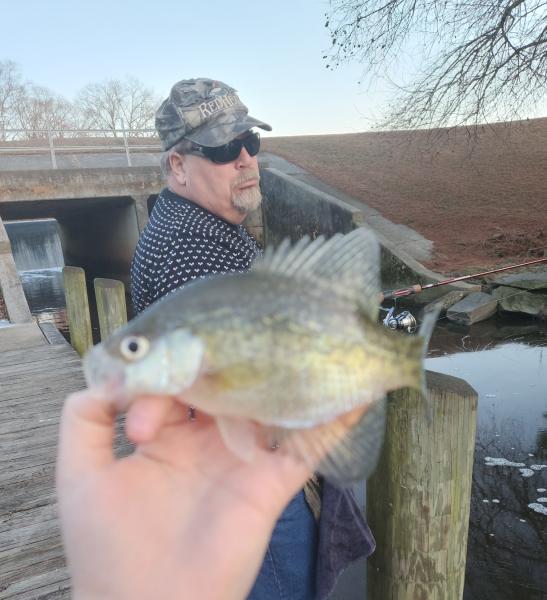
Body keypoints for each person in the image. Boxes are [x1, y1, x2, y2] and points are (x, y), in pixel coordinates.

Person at [128, 78, 375, 599]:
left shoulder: (205, 227)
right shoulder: (192, 251)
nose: (244, 159)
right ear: (178, 166)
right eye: (222, 149)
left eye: (250, 143)